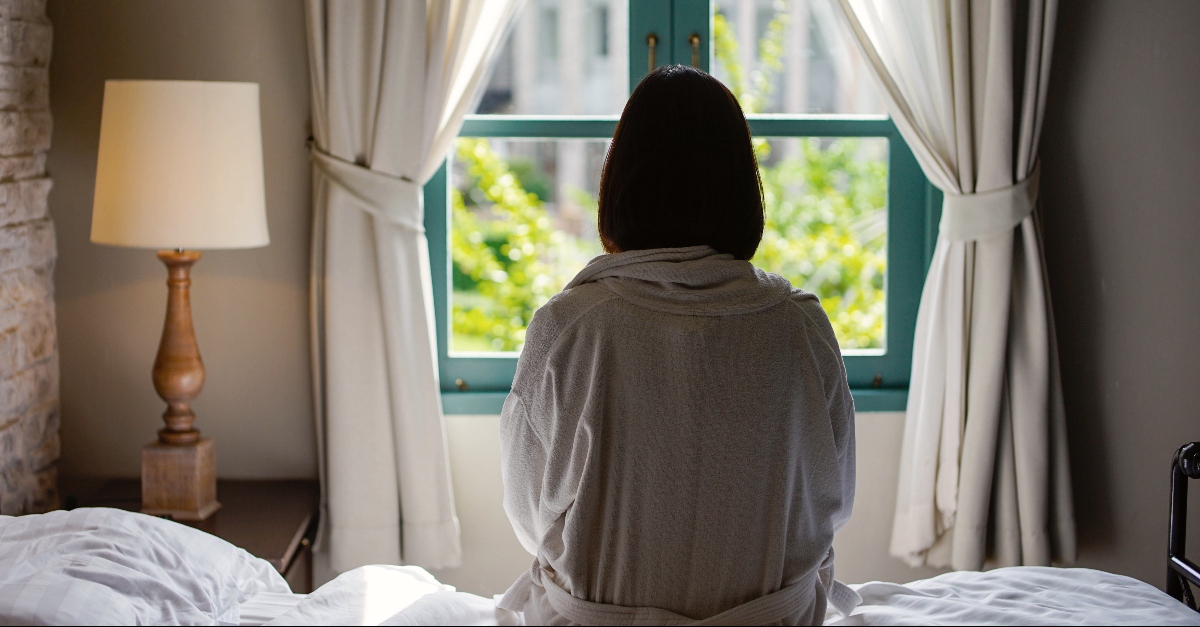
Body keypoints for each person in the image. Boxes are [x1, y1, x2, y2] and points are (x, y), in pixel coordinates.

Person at [497, 64, 858, 626]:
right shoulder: (800, 327)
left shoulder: (569, 327)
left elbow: (527, 516)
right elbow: (833, 505)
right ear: (743, 188)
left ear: (618, 184)